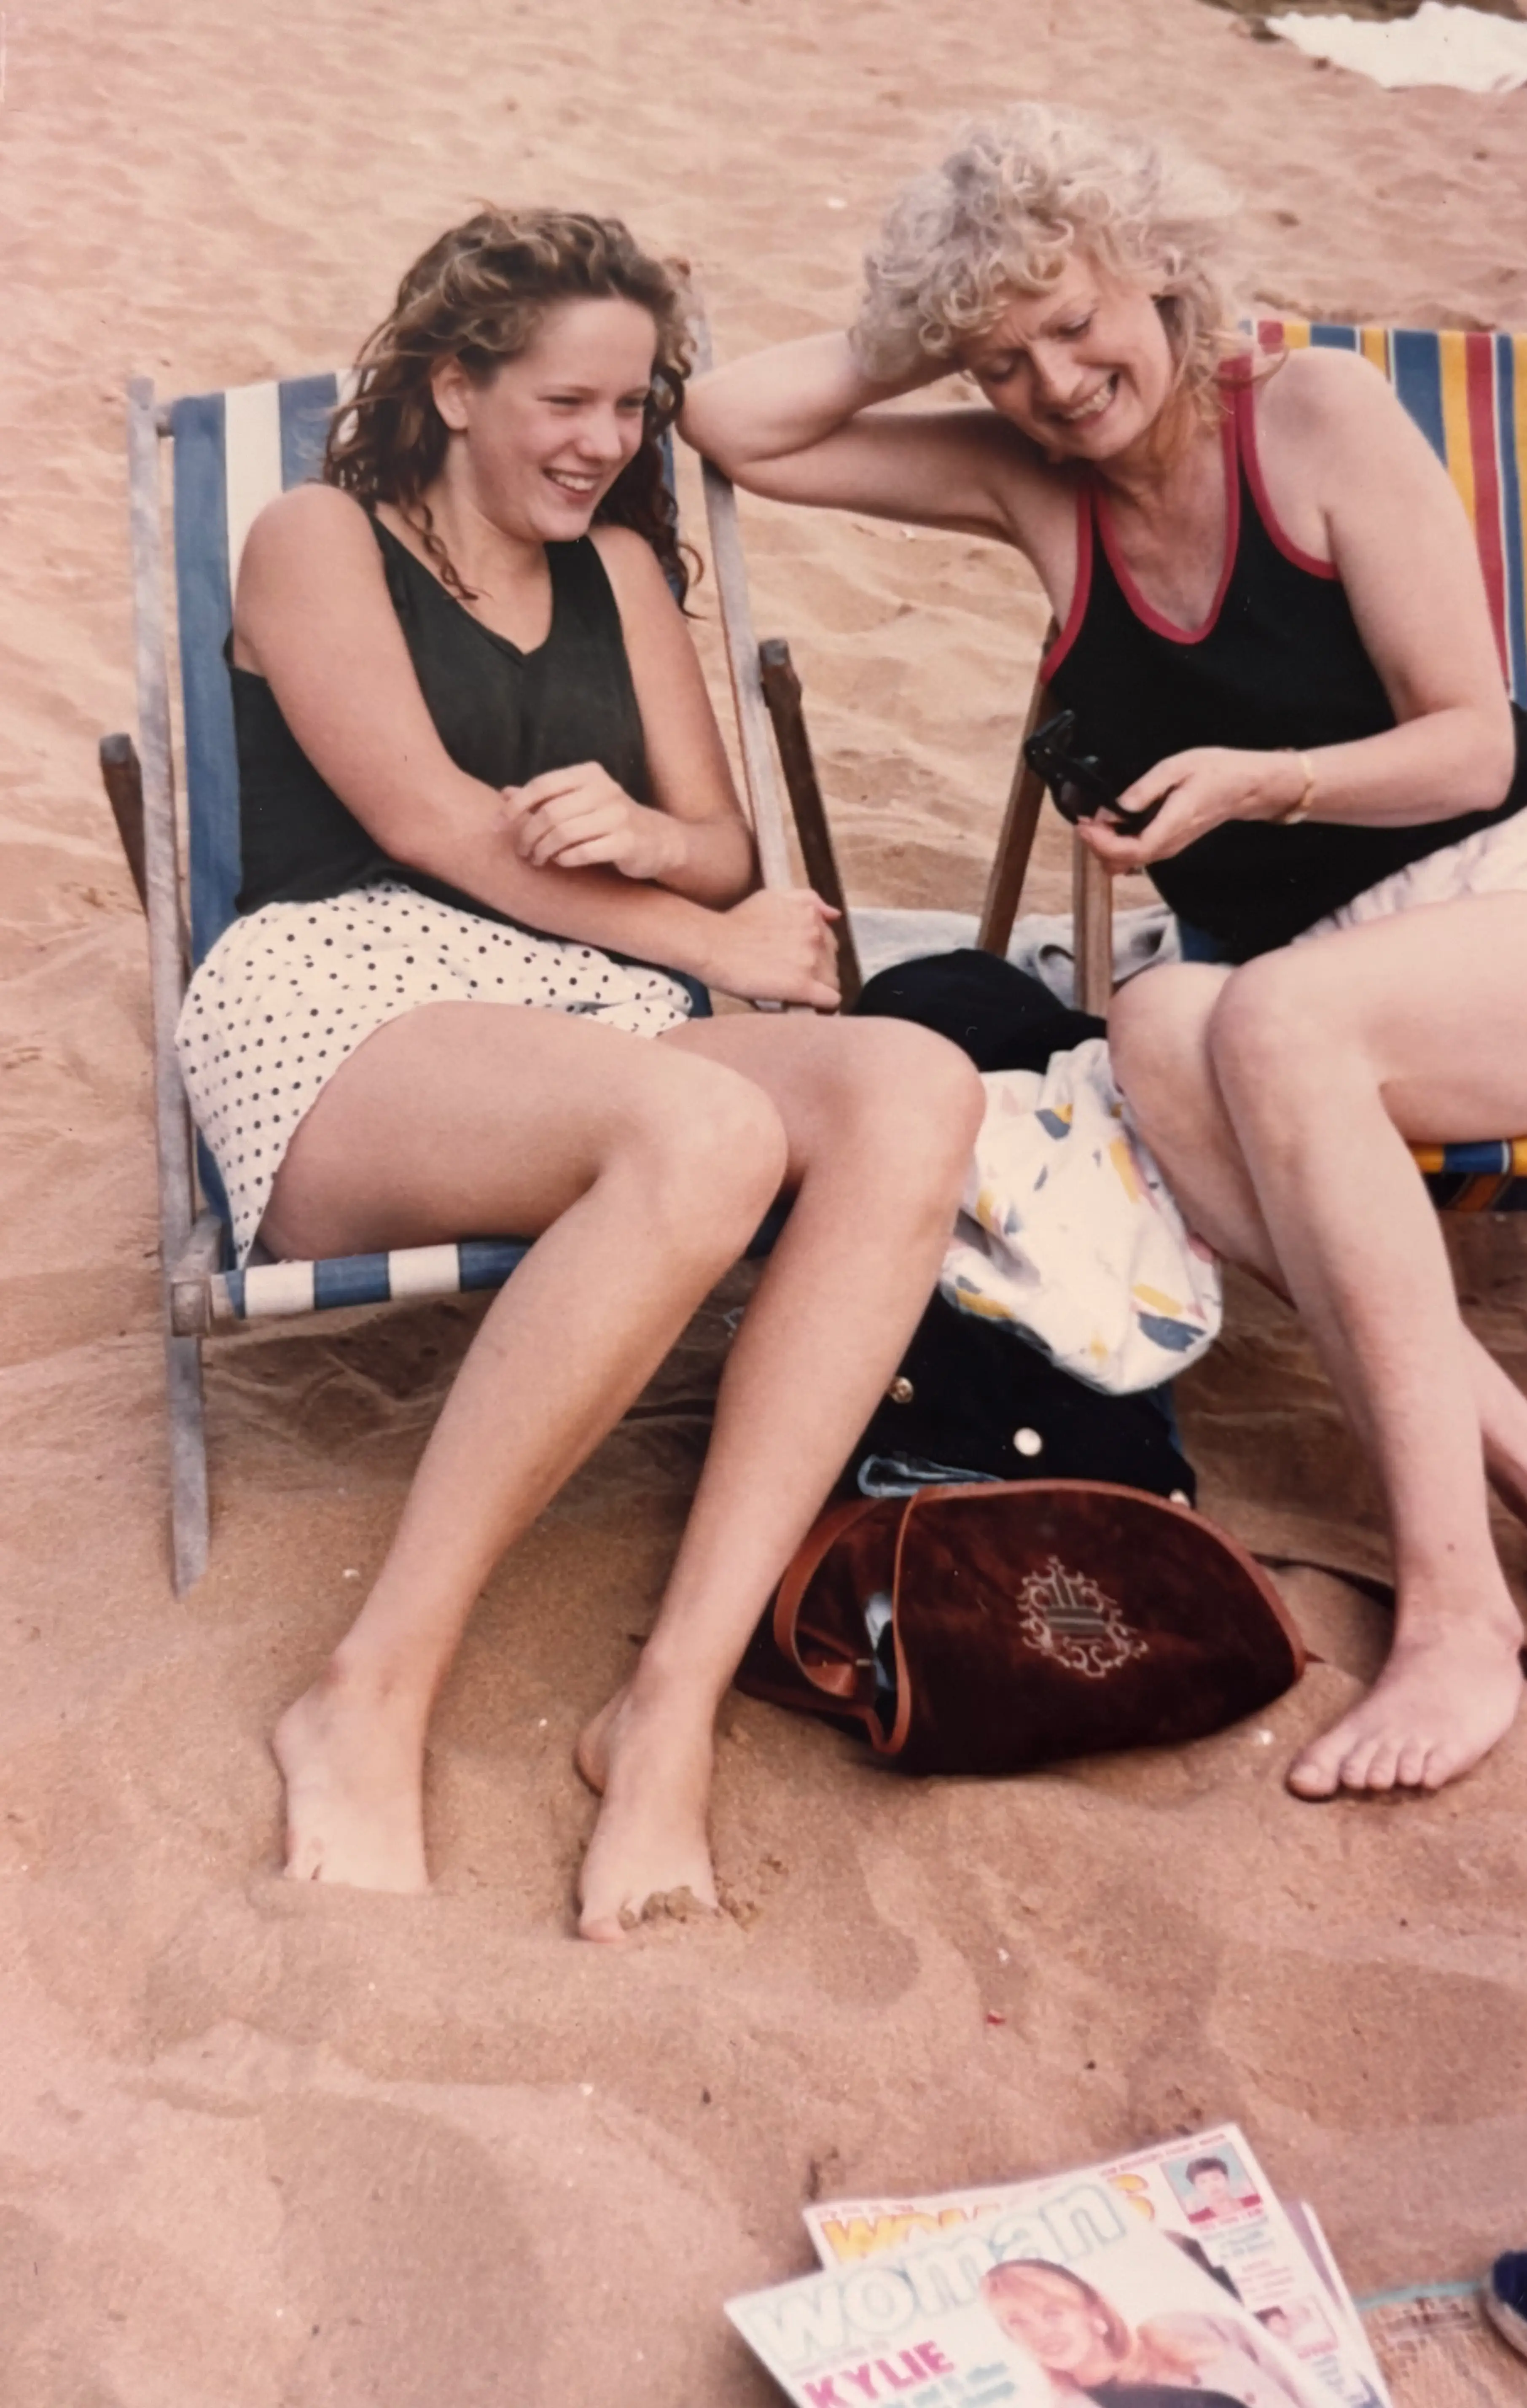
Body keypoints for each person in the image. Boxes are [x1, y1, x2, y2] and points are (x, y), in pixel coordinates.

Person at [681, 104, 1527, 1802]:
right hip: (1320, 991)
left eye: (1075, 318)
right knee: (1168, 1015)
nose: (1051, 381)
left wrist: (1269, 782)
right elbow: (735, 426)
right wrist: (921, 329)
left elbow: (1471, 745)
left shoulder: (1310, 412)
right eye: (1003, 355)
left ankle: (1460, 1607)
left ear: (1165, 276)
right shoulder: (1028, 477)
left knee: (1261, 1026)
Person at [176, 207, 982, 1939]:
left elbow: (721, 837)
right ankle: (369, 1690)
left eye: (632, 409)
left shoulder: (617, 570)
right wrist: (709, 938)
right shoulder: (317, 539)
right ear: (455, 387)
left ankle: (669, 1705)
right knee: (704, 1126)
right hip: (345, 1004)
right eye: (568, 402)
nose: (608, 444)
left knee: (915, 1085)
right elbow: (423, 819)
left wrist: (651, 837)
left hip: (578, 1005)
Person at [979, 2261, 1321, 2408]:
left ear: (1094, 2311)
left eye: (1052, 2313)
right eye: (1017, 2323)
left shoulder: (1191, 2329)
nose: (1040, 2333)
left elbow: (1302, 2385)